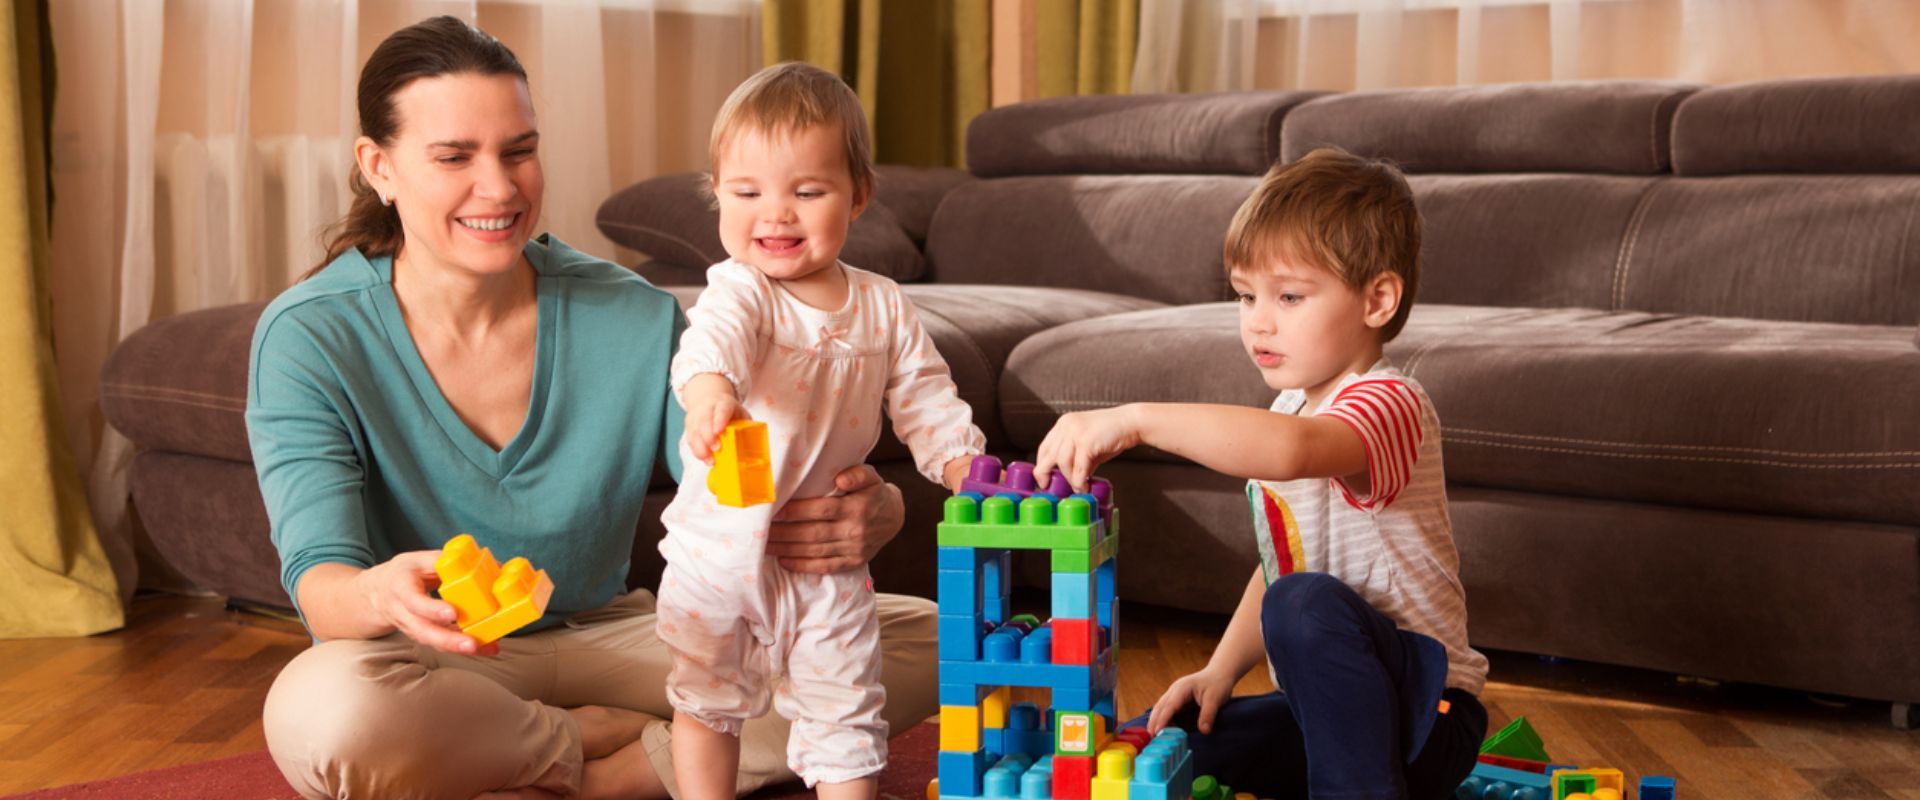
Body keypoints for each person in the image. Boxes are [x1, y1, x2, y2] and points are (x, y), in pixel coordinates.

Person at [247, 17, 935, 800]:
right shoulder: (310, 336)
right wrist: (379, 593)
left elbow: (743, 493)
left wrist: (875, 511)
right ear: (380, 167)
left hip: (613, 634)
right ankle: (580, 741)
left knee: (926, 645)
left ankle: (608, 772)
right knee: (325, 713)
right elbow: (321, 585)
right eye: (454, 157)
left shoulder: (631, 315)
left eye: (519, 151)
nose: (500, 188)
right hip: (435, 660)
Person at [1031, 148, 1490, 799]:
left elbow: (1293, 453)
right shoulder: (1288, 408)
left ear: (1378, 299)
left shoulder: (1391, 403)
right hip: (1330, 717)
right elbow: (1282, 564)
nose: (1259, 321)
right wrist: (1220, 669)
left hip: (1427, 718)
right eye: (1246, 296)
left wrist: (1135, 419)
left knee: (1300, 605)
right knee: (1169, 744)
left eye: (1290, 296)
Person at [658, 62, 985, 800]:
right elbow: (712, 347)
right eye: (746, 193)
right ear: (718, 196)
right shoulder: (741, 290)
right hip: (721, 553)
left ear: (857, 195)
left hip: (823, 559)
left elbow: (927, 397)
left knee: (847, 706)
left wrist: (964, 466)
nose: (775, 215)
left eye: (806, 192)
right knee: (709, 701)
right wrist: (711, 395)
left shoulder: (883, 305)